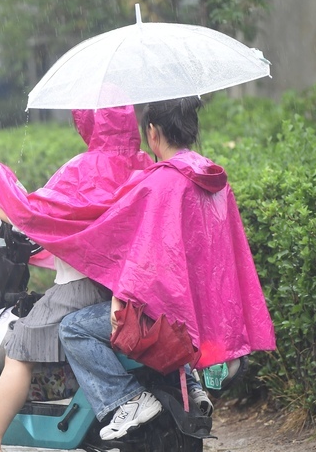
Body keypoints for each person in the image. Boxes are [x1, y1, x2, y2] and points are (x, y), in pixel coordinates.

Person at [54, 97, 276, 440]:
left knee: (73, 328)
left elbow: (143, 255)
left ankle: (126, 399)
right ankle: (191, 384)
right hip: (202, 316)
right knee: (167, 317)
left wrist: (120, 298)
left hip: (167, 318)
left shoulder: (159, 182)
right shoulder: (214, 179)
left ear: (153, 132)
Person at [0, 106, 155, 452]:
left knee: (19, 346)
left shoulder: (82, 169)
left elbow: (41, 217)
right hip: (126, 286)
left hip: (81, 285)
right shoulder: (146, 167)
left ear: (87, 123)